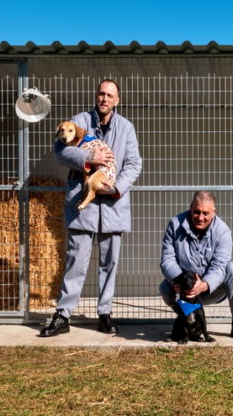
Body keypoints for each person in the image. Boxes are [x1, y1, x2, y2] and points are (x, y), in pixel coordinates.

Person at [40, 79, 143, 337]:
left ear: (117, 100)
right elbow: (59, 151)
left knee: (110, 263)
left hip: (113, 204)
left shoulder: (126, 128)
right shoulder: (79, 121)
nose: (104, 99)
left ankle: (104, 314)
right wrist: (89, 157)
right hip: (81, 205)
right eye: (101, 94)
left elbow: (134, 164)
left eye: (109, 95)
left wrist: (116, 188)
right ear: (96, 96)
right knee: (75, 261)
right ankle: (63, 314)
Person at [158, 191, 233, 340]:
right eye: (196, 212)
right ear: (191, 208)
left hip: (211, 290)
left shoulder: (223, 231)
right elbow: (167, 259)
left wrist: (204, 285)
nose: (200, 218)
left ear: (214, 212)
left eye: (205, 213)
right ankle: (188, 321)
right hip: (183, 289)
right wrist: (178, 281)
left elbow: (219, 266)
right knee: (164, 288)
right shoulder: (175, 225)